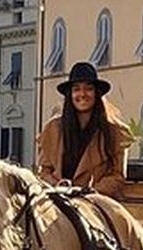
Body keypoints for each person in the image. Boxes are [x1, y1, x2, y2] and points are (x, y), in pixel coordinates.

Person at [37, 61, 133, 200]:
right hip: (58, 200)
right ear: (70, 95)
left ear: (96, 93)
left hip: (97, 202)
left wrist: (89, 192)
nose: (82, 94)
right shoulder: (52, 129)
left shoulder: (116, 132)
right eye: (76, 89)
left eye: (88, 88)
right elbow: (44, 172)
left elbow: (117, 176)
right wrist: (60, 188)